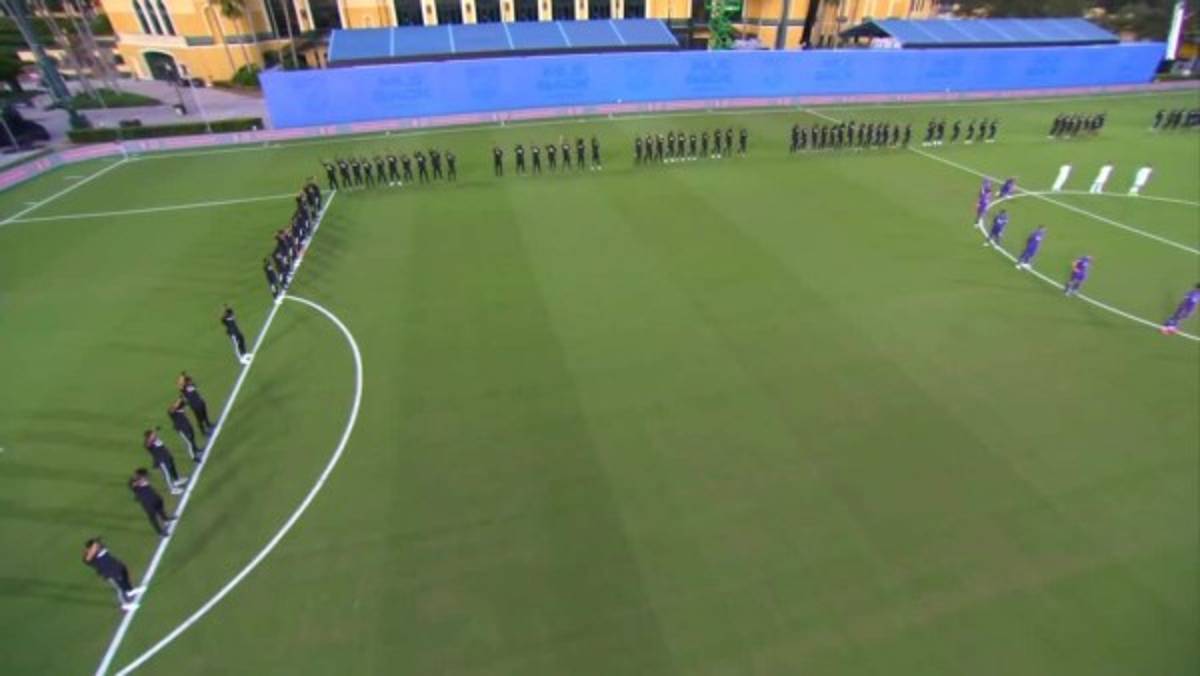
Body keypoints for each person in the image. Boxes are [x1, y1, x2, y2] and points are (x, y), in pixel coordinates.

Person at [83, 539, 143, 611]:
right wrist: (93, 549)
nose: (99, 544)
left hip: (116, 566)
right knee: (120, 588)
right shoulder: (90, 557)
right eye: (96, 545)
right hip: (110, 573)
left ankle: (130, 591)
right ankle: (125, 604)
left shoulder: (102, 548)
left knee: (125, 579)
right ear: (91, 548)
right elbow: (87, 560)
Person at [129, 468, 175, 537]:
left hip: (153, 496)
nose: (146, 477)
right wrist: (139, 480)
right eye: (144, 475)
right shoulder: (133, 481)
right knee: (152, 516)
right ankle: (160, 532)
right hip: (146, 500)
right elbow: (133, 485)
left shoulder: (143, 479)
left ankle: (165, 519)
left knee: (160, 505)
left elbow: (146, 481)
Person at [144, 428, 187, 494]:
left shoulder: (157, 439)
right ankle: (172, 489)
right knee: (167, 474)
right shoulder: (149, 443)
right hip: (161, 460)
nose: (155, 434)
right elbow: (148, 445)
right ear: (149, 436)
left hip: (167, 457)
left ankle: (176, 480)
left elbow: (162, 447)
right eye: (152, 434)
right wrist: (151, 438)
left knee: (172, 468)